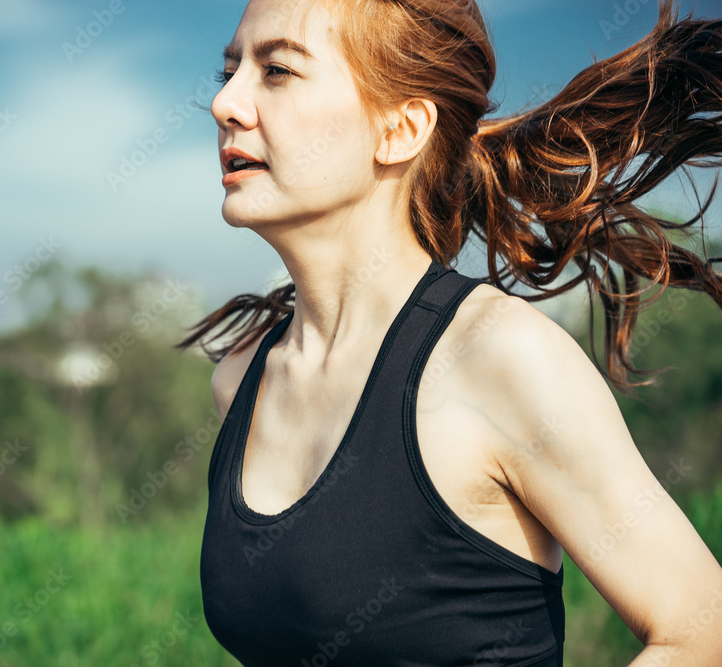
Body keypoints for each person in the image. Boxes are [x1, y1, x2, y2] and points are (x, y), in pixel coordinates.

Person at [173, 0, 722, 664]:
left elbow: (701, 629)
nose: (225, 103)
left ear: (400, 129)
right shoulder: (240, 378)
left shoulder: (501, 358)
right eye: (228, 71)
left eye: (277, 70)